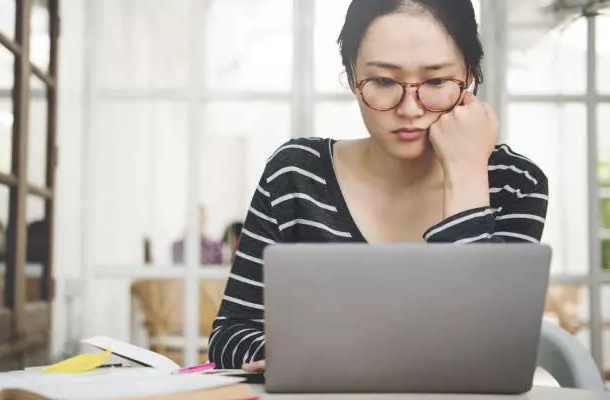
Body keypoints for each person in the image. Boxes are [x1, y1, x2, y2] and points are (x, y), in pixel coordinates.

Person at [208, 0, 549, 372]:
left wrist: (466, 173)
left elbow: (487, 349)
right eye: (384, 81)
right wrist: (308, 358)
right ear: (352, 76)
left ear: (469, 77)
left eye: (436, 81)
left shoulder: (515, 183)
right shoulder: (295, 174)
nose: (409, 108)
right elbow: (231, 334)